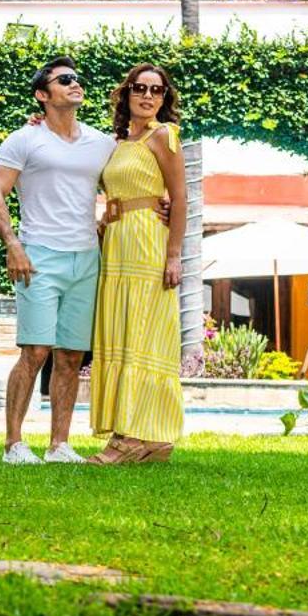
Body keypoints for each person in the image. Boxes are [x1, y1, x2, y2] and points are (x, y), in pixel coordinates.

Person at [0, 58, 114, 464]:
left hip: (86, 257)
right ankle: (13, 444)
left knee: (72, 355)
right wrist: (13, 244)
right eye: (64, 80)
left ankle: (59, 445)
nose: (76, 84)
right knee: (35, 351)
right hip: (38, 256)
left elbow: (127, 180)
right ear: (42, 95)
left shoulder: (101, 143)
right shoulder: (24, 139)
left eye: (77, 79)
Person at [88, 64, 186, 463]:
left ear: (165, 98)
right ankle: (145, 439)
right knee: (122, 331)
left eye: (157, 91)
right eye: (140, 88)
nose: (148, 96)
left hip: (148, 242)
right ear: (126, 94)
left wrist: (175, 254)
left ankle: (135, 436)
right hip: (116, 243)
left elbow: (179, 198)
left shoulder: (164, 135)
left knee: (143, 334)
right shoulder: (116, 142)